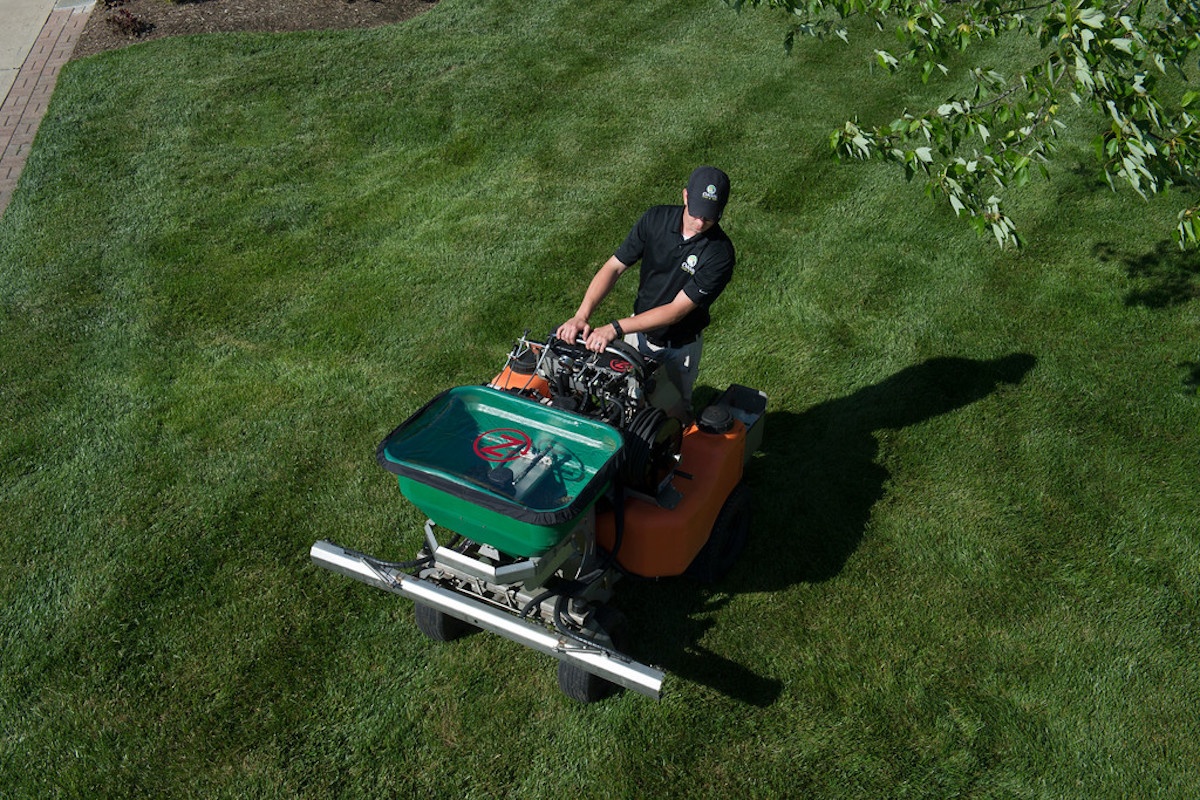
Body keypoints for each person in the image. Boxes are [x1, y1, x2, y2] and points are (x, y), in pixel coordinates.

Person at [555, 166, 735, 415]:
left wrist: (615, 329)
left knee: (672, 418)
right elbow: (614, 267)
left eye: (710, 216)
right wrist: (581, 315)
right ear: (685, 196)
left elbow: (676, 311)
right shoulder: (655, 219)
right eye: (696, 212)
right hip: (637, 336)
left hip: (678, 348)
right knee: (624, 407)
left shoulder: (719, 254)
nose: (701, 221)